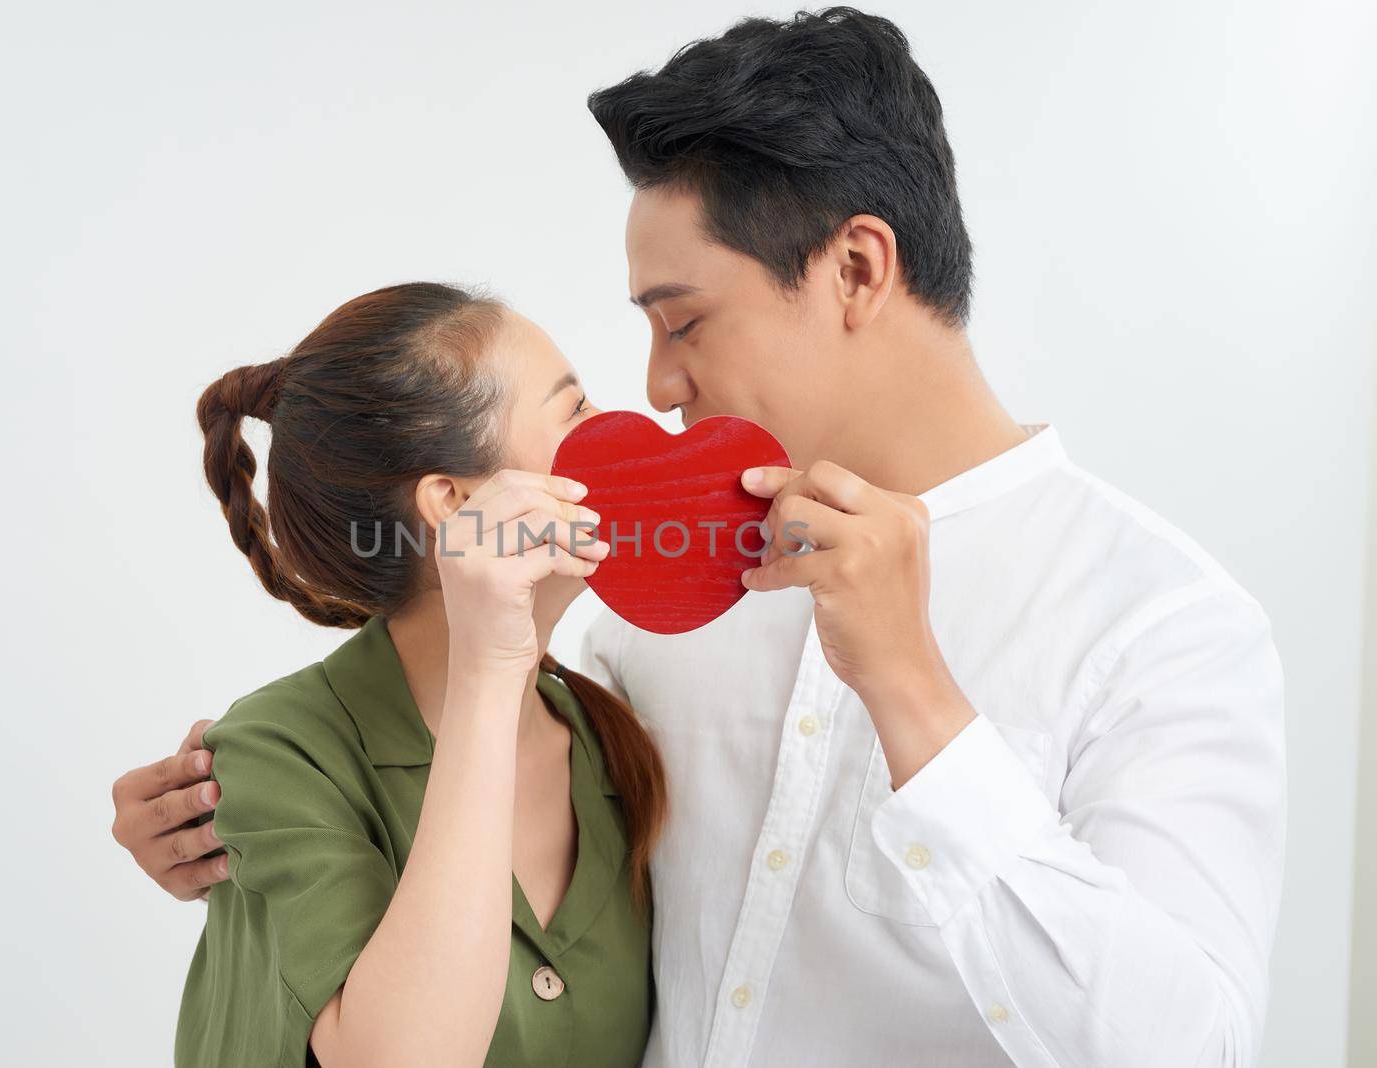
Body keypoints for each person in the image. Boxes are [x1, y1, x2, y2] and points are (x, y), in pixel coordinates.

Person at [114, 9, 1286, 1065]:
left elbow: (1191, 1047)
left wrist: (916, 694)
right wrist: (229, 832)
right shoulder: (650, 596)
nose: (659, 383)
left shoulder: (1160, 624)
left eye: (683, 322)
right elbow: (462, 764)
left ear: (856, 270)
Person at [157, 281, 664, 1067]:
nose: (627, 435)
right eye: (577, 413)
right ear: (454, 503)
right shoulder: (273, 752)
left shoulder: (610, 741)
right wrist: (491, 669)